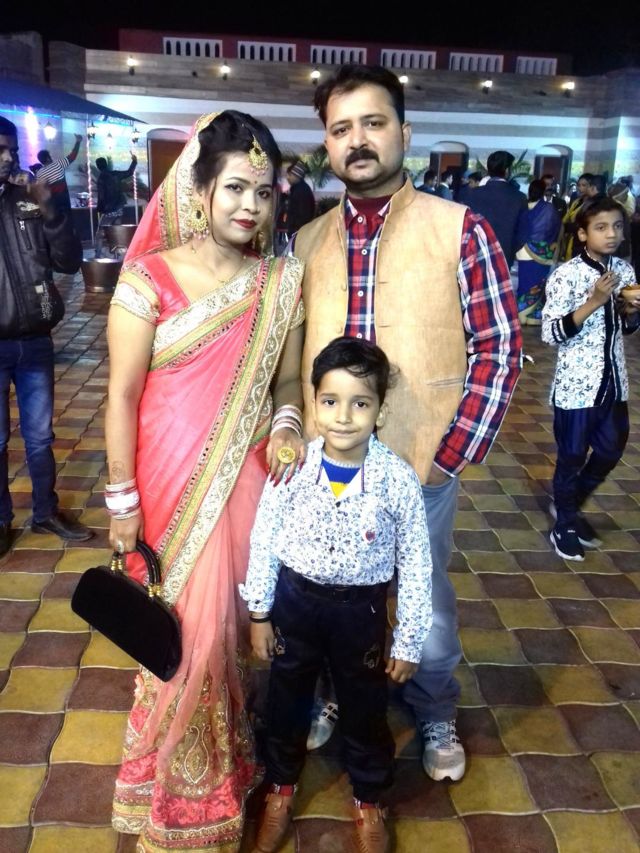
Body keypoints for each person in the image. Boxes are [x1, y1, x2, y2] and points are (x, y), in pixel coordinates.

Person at [289, 65, 522, 783]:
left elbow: (500, 346)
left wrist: (450, 453)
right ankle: (335, 692)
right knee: (329, 591)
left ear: (404, 132)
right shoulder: (307, 241)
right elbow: (287, 352)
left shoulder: (459, 229)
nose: (357, 140)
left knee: (427, 597)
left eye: (373, 122)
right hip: (329, 463)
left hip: (423, 456)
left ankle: (433, 704)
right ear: (328, 145)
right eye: (341, 128)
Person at [105, 110, 306, 852]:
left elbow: (287, 381)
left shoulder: (280, 280)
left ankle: (221, 779)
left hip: (248, 481)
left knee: (229, 633)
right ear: (200, 190)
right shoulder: (146, 278)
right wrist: (121, 500)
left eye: (264, 191)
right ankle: (176, 795)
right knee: (183, 638)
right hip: (165, 484)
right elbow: (122, 395)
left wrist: (288, 424)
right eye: (235, 188)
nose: (251, 206)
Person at [241, 337, 432, 853]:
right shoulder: (292, 468)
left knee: (365, 707)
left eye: (360, 403)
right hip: (295, 607)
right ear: (313, 403)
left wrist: (409, 640)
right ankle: (280, 789)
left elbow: (417, 563)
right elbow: (265, 540)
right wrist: (259, 613)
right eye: (330, 401)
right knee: (286, 701)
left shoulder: (396, 479)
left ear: (381, 410)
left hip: (360, 613)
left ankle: (369, 798)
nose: (344, 417)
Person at [0, 115, 89, 558]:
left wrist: (51, 210)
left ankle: (45, 511)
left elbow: (69, 262)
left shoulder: (28, 199)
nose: (7, 157)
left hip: (35, 341)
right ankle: (1, 520)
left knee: (39, 438)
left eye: (11, 150)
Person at [542, 196, 639, 561]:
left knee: (611, 450)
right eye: (601, 227)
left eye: (617, 226)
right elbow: (551, 333)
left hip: (614, 383)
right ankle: (565, 524)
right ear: (583, 234)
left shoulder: (624, 271)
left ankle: (567, 503)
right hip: (576, 386)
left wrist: (631, 312)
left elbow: (626, 330)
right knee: (571, 456)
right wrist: (594, 301)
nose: (611, 234)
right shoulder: (566, 275)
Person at [466, 150, 528, 269]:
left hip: (475, 255)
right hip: (504, 257)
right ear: (507, 171)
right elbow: (523, 233)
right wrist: (510, 250)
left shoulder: (472, 194)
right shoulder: (519, 197)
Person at [516, 178, 561, 325]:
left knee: (524, 284)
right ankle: (532, 316)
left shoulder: (522, 206)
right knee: (537, 283)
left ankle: (520, 314)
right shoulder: (549, 209)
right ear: (542, 192)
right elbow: (554, 228)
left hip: (522, 250)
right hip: (541, 252)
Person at [95, 152, 137, 257]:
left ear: (98, 167)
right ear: (106, 164)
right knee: (117, 231)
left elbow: (102, 196)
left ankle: (97, 255)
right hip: (119, 207)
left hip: (109, 210)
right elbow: (129, 172)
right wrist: (134, 161)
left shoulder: (101, 178)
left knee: (100, 233)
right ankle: (117, 255)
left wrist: (100, 209)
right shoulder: (115, 174)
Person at [36, 135, 83, 214]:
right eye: (50, 156)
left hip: (51, 201)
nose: (51, 157)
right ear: (48, 158)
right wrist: (78, 142)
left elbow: (40, 189)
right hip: (63, 197)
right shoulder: (58, 164)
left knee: (57, 218)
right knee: (67, 216)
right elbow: (72, 156)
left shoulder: (39, 173)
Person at [561, 173, 599, 260]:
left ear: (591, 187)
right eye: (579, 185)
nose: (580, 188)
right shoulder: (577, 201)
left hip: (581, 242)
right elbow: (565, 219)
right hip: (569, 238)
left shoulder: (593, 204)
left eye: (584, 185)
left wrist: (569, 226)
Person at [285, 159, 315, 236]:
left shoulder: (301, 191)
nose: (287, 177)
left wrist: (295, 230)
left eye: (289, 175)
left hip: (299, 232)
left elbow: (303, 215)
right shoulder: (298, 189)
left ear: (296, 175)